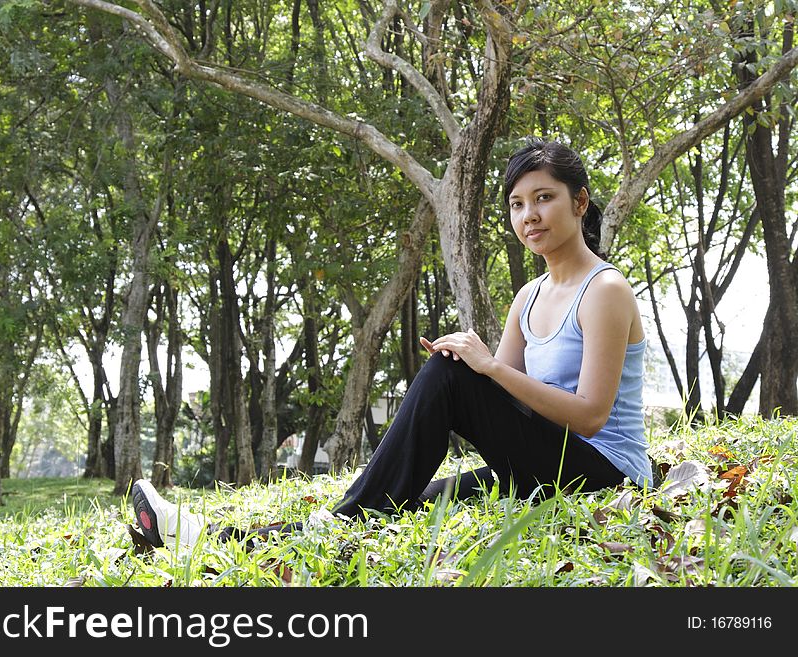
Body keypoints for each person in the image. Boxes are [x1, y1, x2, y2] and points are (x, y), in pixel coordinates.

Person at [131, 137, 652, 552]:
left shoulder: (604, 289)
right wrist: (478, 373)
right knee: (404, 497)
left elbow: (589, 417)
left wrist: (485, 369)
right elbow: (508, 406)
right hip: (546, 461)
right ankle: (210, 540)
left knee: (453, 376)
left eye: (544, 198)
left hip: (605, 475)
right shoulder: (529, 296)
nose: (529, 216)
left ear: (579, 202)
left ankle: (281, 533)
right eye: (517, 205)